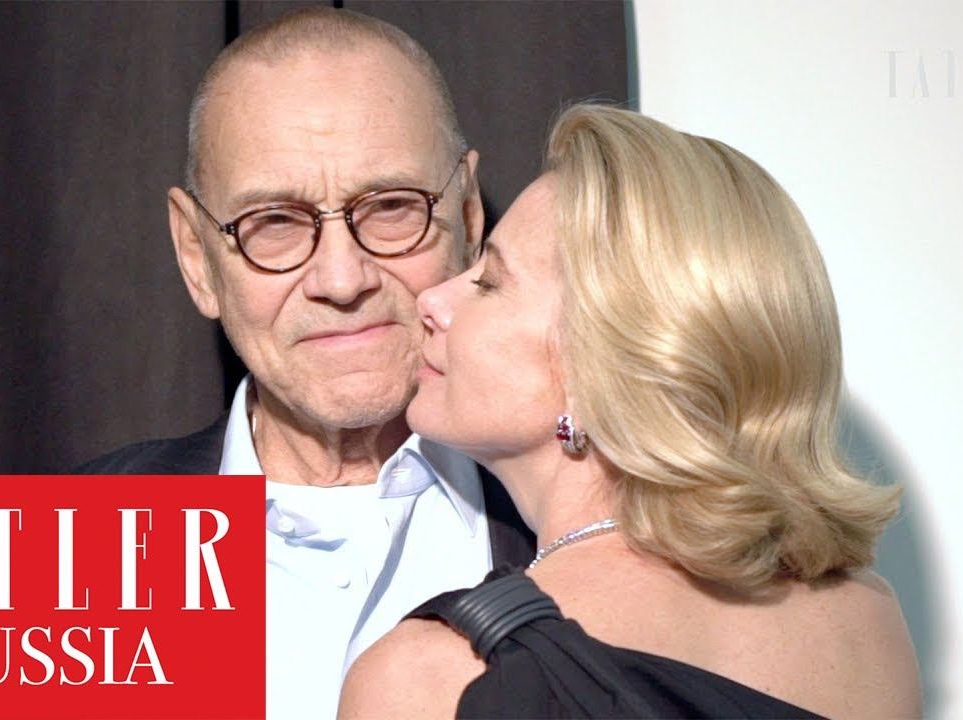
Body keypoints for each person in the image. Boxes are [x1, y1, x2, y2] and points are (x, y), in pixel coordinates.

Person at [339, 104, 923, 718]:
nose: (432, 300)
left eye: (490, 282)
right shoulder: (865, 625)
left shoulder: (434, 677)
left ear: (600, 370)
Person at [77, 8, 534, 719]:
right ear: (197, 257)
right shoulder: (49, 553)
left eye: (392, 207)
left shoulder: (615, 535)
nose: (342, 281)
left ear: (469, 218)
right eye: (275, 223)